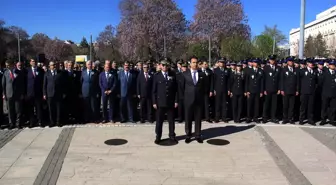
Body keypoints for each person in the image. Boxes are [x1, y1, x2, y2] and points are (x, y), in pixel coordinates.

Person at [180, 56, 206, 143]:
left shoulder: (202, 74)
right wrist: (184, 99)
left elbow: (204, 87)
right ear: (190, 63)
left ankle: (198, 135)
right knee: (188, 118)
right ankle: (188, 135)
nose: (195, 64)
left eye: (196, 62)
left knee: (198, 118)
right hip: (188, 100)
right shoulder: (185, 74)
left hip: (198, 99)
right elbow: (182, 88)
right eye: (193, 62)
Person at [152, 60, 178, 144]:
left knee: (171, 121)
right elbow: (154, 91)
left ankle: (172, 136)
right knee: (159, 121)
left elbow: (176, 90)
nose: (165, 67)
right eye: (163, 65)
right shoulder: (157, 76)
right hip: (160, 102)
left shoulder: (172, 75)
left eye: (166, 65)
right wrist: (154, 102)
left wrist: (176, 101)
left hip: (170, 102)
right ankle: (158, 136)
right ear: (160, 66)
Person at [2, 61, 26, 129]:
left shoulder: (18, 72)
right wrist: (4, 94)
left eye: (8, 65)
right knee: (10, 110)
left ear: (12, 65)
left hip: (17, 94)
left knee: (18, 110)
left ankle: (18, 124)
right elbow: (3, 84)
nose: (7, 66)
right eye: (6, 65)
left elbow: (22, 84)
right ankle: (11, 124)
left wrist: (22, 93)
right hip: (9, 94)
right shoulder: (5, 73)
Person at [43, 61, 66, 127]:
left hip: (58, 94)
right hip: (50, 94)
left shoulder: (60, 73)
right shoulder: (47, 74)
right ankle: (52, 122)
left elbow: (63, 84)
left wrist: (63, 92)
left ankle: (58, 122)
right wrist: (44, 93)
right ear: (49, 66)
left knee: (58, 109)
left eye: (55, 65)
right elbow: (44, 84)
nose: (54, 66)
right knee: (51, 109)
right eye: (52, 65)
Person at [262, 55, 281, 123]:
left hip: (275, 89)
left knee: (274, 105)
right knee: (266, 104)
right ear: (269, 60)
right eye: (271, 60)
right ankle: (265, 118)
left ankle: (273, 117)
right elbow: (263, 80)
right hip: (267, 89)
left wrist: (279, 89)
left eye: (273, 60)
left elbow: (280, 79)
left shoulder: (278, 68)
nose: (272, 61)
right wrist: (263, 89)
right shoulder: (265, 68)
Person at [281, 57, 299, 124]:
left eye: (292, 61)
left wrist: (297, 90)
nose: (291, 62)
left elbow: (297, 81)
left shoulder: (295, 70)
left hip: (293, 90)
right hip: (286, 90)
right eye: (290, 61)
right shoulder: (284, 69)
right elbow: (282, 80)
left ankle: (291, 118)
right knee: (285, 105)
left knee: (292, 106)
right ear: (287, 62)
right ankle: (285, 118)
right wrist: (282, 89)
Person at [26, 59, 45, 127]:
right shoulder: (27, 70)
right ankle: (32, 122)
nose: (34, 62)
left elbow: (43, 81)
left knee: (39, 108)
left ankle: (40, 121)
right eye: (32, 61)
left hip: (38, 93)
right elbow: (25, 82)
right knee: (30, 109)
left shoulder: (40, 70)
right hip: (30, 93)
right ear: (30, 63)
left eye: (34, 61)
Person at [298, 59, 317, 125]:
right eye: (310, 63)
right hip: (304, 91)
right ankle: (301, 119)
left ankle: (310, 119)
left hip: (311, 92)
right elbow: (299, 81)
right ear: (307, 63)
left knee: (310, 107)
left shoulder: (314, 71)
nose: (312, 64)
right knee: (303, 107)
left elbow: (316, 82)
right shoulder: (302, 71)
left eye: (312, 63)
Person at [245, 59, 264, 123]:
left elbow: (262, 82)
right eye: (254, 62)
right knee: (249, 105)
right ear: (252, 63)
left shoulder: (260, 71)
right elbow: (247, 82)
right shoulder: (249, 71)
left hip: (257, 90)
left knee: (257, 105)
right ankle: (249, 117)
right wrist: (247, 90)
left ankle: (256, 117)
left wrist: (261, 91)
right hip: (250, 90)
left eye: (256, 63)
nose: (255, 64)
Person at [213, 58, 230, 123]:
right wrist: (214, 89)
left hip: (224, 89)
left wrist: (228, 89)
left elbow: (228, 81)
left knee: (224, 104)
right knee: (217, 104)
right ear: (218, 63)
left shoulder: (227, 70)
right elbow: (214, 80)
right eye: (220, 62)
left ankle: (224, 117)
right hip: (217, 89)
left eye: (223, 62)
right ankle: (217, 117)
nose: (221, 63)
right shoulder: (215, 70)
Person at [320, 60, 336, 125]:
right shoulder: (325, 73)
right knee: (324, 107)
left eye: (334, 65)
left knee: (333, 108)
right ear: (329, 66)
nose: (333, 66)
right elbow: (321, 83)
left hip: (334, 93)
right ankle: (323, 119)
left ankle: (331, 120)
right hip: (325, 93)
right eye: (331, 65)